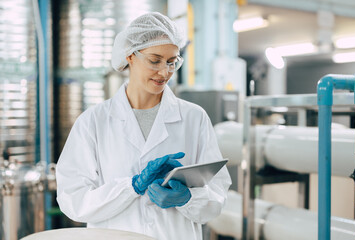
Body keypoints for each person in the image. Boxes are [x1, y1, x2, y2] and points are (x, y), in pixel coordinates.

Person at [56, 12, 231, 240]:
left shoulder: (194, 118)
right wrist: (132, 186)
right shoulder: (93, 122)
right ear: (130, 56)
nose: (164, 72)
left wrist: (188, 198)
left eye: (171, 62)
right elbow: (73, 200)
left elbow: (217, 192)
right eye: (154, 60)